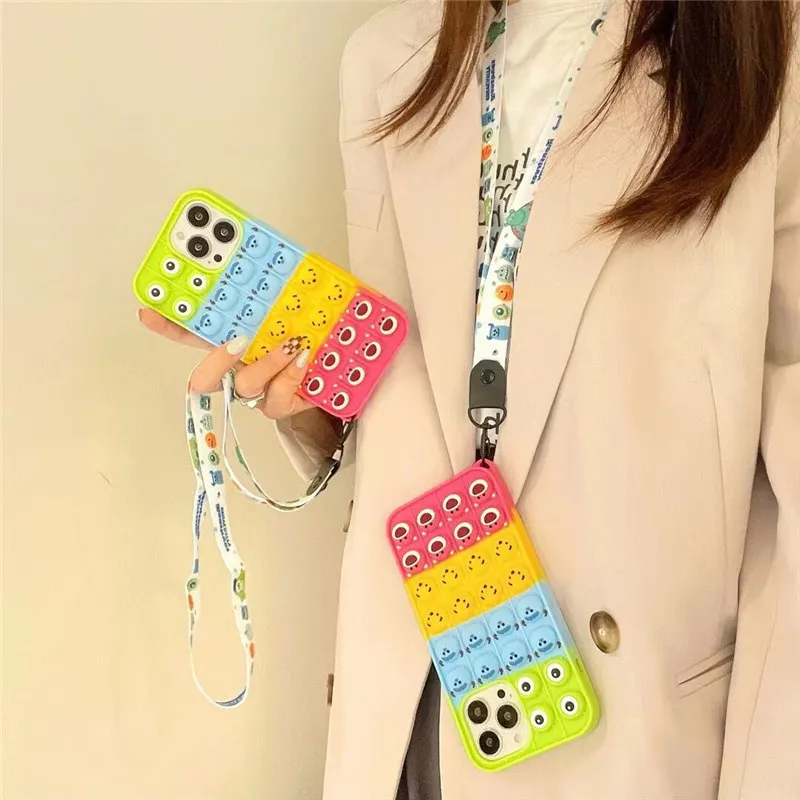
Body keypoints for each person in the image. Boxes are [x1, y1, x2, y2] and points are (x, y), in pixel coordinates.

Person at [139, 0, 800, 797]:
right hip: (415, 696)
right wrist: (307, 393)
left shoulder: (771, 55)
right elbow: (407, 388)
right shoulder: (390, 60)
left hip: (634, 730)